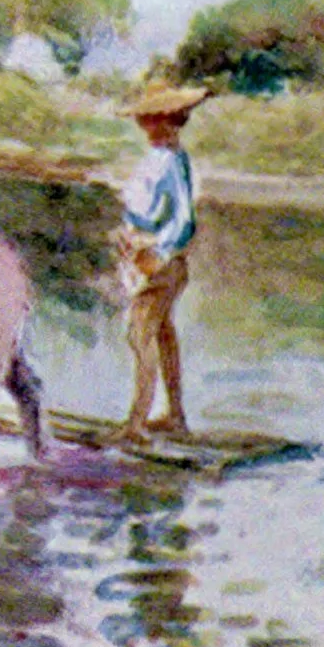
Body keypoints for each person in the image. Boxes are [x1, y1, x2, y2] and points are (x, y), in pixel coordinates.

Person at [114, 84, 208, 440]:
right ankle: (175, 416)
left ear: (172, 121)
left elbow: (183, 222)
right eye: (146, 121)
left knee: (140, 336)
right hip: (146, 256)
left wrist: (159, 253)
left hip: (160, 262)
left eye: (156, 120)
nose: (149, 127)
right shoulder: (162, 158)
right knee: (163, 334)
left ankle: (137, 423)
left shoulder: (170, 160)